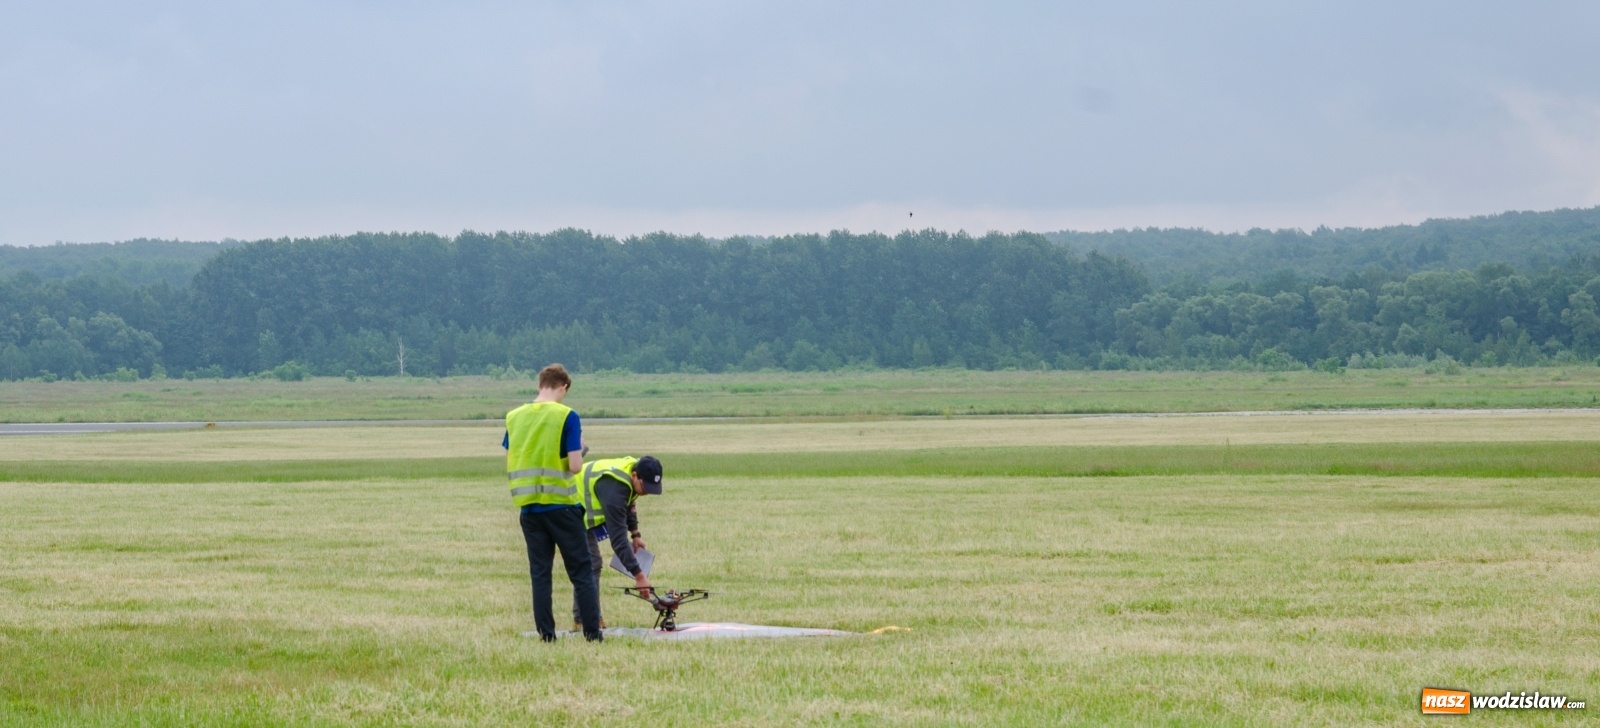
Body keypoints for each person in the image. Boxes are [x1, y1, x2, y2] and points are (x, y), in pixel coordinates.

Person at [502, 363, 602, 642]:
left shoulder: (514, 417)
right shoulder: (566, 416)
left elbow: (512, 458)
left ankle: (546, 636)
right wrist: (580, 448)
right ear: (564, 387)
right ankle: (593, 634)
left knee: (541, 574)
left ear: (539, 385)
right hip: (562, 505)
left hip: (529, 507)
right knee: (581, 572)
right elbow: (575, 466)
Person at [571, 455, 664, 629]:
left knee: (590, 564)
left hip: (580, 513)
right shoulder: (615, 487)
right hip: (570, 509)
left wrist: (635, 534)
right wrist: (639, 576)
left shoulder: (630, 471)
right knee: (591, 563)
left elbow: (629, 501)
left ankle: (582, 618)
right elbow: (618, 541)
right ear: (635, 475)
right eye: (646, 487)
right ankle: (587, 620)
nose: (647, 492)